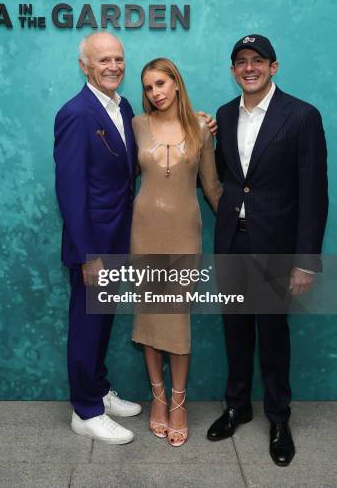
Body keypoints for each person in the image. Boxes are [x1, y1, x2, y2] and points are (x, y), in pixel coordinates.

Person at [207, 35, 328, 466]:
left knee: (273, 337)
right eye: (241, 61)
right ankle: (237, 406)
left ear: (273, 67)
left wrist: (305, 261)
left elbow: (314, 193)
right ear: (233, 70)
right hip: (232, 244)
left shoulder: (301, 116)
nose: (249, 67)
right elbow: (222, 178)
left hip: (278, 247)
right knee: (235, 332)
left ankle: (279, 418)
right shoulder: (224, 114)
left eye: (257, 60)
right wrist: (203, 141)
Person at [53, 32, 141, 445]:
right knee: (87, 324)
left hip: (117, 237)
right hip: (94, 247)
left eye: (118, 59)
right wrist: (89, 255)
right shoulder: (76, 113)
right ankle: (84, 411)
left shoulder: (122, 107)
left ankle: (99, 390)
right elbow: (70, 192)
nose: (113, 66)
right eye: (103, 59)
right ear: (84, 65)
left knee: (102, 321)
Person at [131, 58, 222, 446]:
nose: (156, 93)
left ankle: (179, 403)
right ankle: (158, 398)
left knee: (176, 319)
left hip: (184, 235)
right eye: (149, 87)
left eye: (162, 84)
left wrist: (248, 227)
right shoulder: (136, 125)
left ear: (177, 84)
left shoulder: (201, 127)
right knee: (150, 318)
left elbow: (213, 187)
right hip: (143, 234)